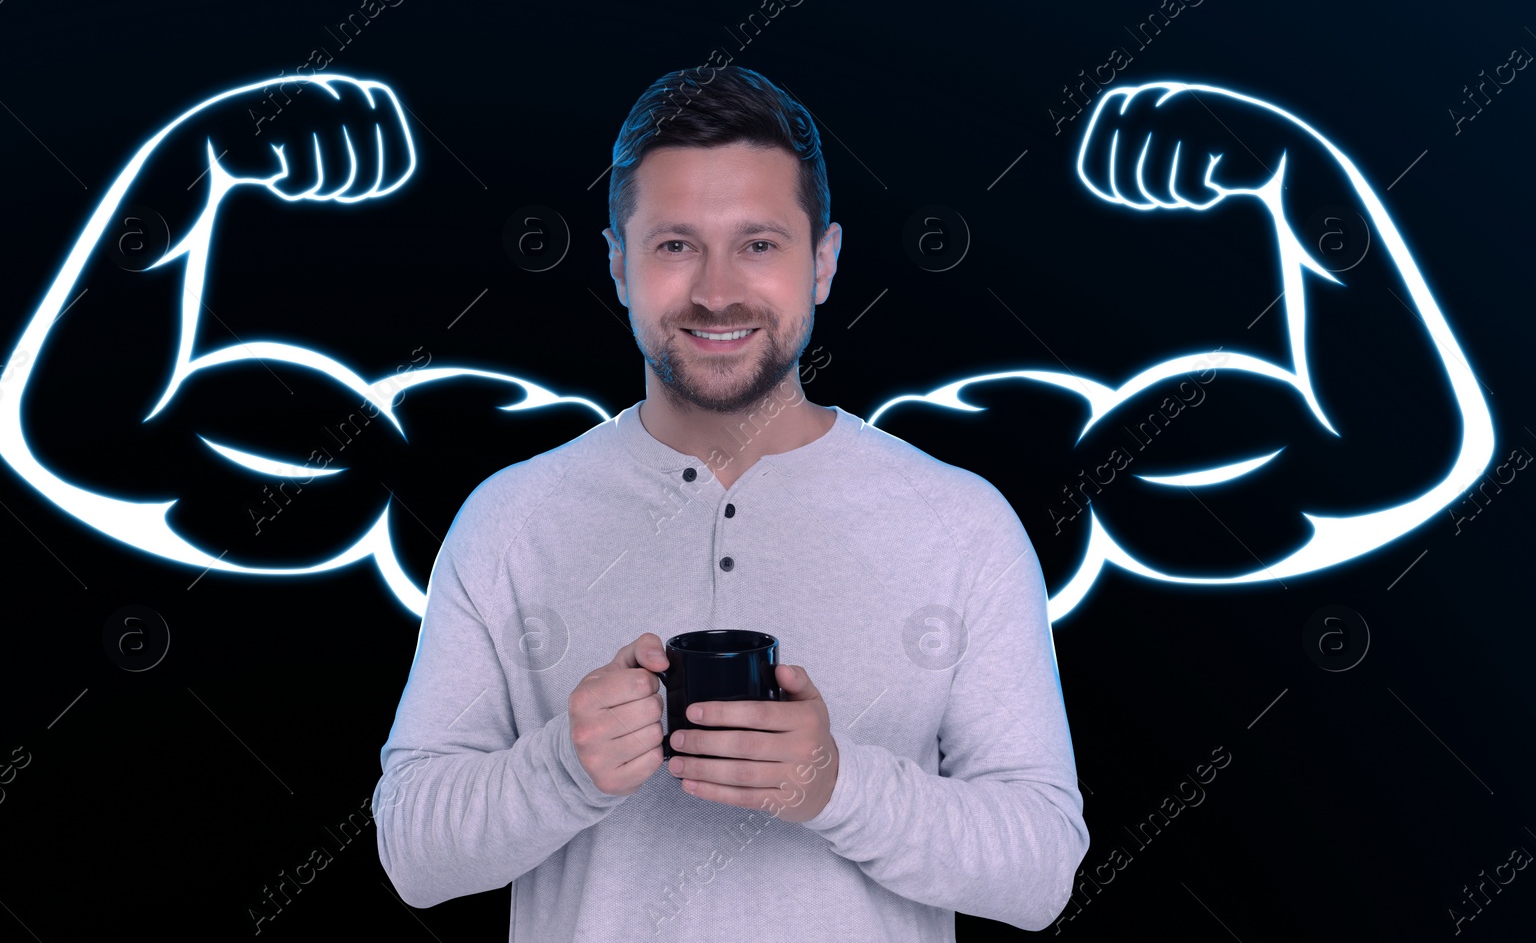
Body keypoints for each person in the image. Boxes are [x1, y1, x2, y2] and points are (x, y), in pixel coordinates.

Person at [373, 65, 1089, 939]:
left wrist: (834, 785)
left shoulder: (964, 524)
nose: (716, 290)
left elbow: (1043, 868)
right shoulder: (508, 519)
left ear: (822, 262)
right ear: (617, 265)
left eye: (758, 243)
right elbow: (410, 852)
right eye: (675, 244)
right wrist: (563, 767)